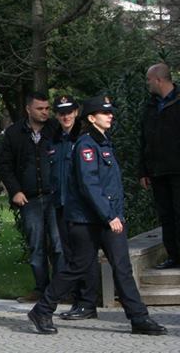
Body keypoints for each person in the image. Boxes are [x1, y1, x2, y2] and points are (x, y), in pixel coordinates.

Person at [29, 96, 167, 336]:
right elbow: (89, 186)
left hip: (106, 217)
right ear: (92, 118)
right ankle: (42, 309)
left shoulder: (103, 143)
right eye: (105, 113)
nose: (110, 115)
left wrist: (113, 214)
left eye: (110, 112)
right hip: (88, 221)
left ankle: (139, 318)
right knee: (77, 267)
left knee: (122, 268)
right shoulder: (87, 146)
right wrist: (109, 216)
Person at [0, 92, 62, 301]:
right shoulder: (14, 133)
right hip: (30, 198)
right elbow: (5, 165)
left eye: (47, 109)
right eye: (40, 109)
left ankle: (61, 289)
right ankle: (41, 288)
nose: (45, 112)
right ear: (28, 109)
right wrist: (15, 190)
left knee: (58, 243)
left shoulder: (55, 129)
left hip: (54, 195)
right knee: (36, 245)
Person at [49, 96, 98, 320]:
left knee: (83, 256)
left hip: (80, 207)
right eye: (61, 113)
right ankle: (79, 301)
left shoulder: (84, 137)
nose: (65, 116)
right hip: (61, 203)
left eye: (69, 112)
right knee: (71, 254)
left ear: (76, 112)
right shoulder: (55, 138)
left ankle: (87, 303)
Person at [140, 63, 180, 270]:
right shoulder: (150, 106)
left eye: (148, 79)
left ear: (158, 79)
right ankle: (173, 255)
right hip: (157, 170)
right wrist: (143, 171)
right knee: (166, 215)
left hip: (177, 169)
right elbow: (143, 139)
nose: (147, 83)